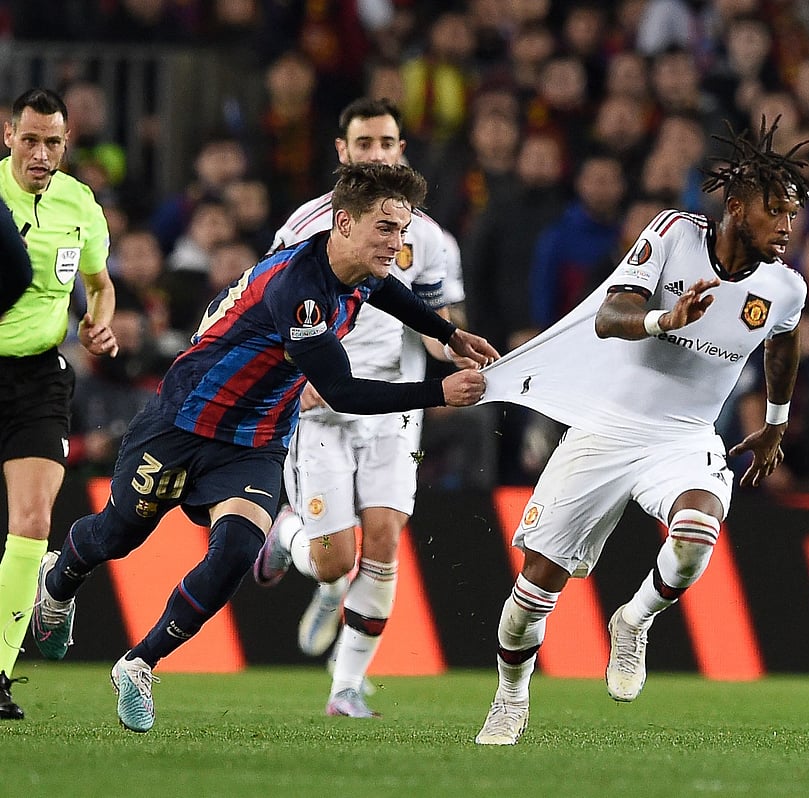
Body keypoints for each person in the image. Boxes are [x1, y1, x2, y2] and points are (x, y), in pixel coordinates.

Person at [29, 162, 499, 733]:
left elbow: (389, 293)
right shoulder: (300, 290)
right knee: (118, 535)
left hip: (254, 440)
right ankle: (59, 581)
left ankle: (139, 664)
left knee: (233, 554)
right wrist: (438, 391)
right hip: (182, 423)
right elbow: (342, 390)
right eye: (385, 229)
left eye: (402, 230)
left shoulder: (357, 266)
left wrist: (450, 335)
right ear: (343, 223)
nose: (397, 244)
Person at [471, 118, 809, 745]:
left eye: (793, 215)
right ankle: (511, 694)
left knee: (695, 536)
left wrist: (773, 425)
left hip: (684, 437)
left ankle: (633, 620)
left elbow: (784, 347)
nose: (787, 228)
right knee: (530, 597)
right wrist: (664, 318)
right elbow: (609, 315)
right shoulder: (675, 234)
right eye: (776, 213)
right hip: (608, 427)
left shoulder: (785, 286)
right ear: (736, 208)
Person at [252, 97, 471, 718]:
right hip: (321, 403)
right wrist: (295, 373)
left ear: (401, 150)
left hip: (394, 407)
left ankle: (345, 687)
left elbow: (434, 320)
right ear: (342, 153)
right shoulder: (304, 227)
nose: (377, 153)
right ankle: (287, 536)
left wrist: (453, 350)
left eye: (388, 143)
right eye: (364, 143)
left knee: (383, 541)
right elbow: (269, 309)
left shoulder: (428, 240)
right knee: (333, 563)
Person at [0, 88, 119, 721]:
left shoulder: (81, 205)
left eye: (53, 142)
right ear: (8, 136)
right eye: (30, 140)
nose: (42, 154)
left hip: (39, 378)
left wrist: (100, 324)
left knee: (32, 518)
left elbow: (101, 287)